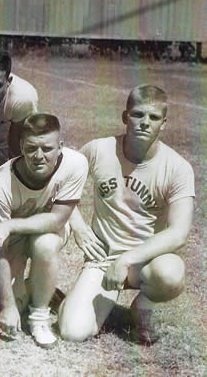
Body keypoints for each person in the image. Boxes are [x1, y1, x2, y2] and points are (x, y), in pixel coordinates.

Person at [59, 85, 194, 345]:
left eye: (154, 118)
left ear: (163, 124)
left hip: (146, 261)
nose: (145, 123)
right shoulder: (99, 149)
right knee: (72, 332)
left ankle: (142, 306)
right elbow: (59, 184)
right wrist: (78, 227)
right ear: (125, 117)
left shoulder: (177, 168)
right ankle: (70, 300)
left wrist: (127, 259)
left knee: (171, 273)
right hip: (103, 259)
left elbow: (179, 233)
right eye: (138, 115)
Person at [0, 113, 87, 349]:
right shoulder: (2, 183)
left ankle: (40, 317)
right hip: (14, 240)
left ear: (60, 146)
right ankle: (42, 287)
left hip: (43, 230)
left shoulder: (75, 163)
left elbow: (58, 219)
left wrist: (10, 224)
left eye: (47, 148)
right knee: (0, 312)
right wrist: (8, 306)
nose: (39, 156)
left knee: (45, 243)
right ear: (21, 146)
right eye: (31, 148)